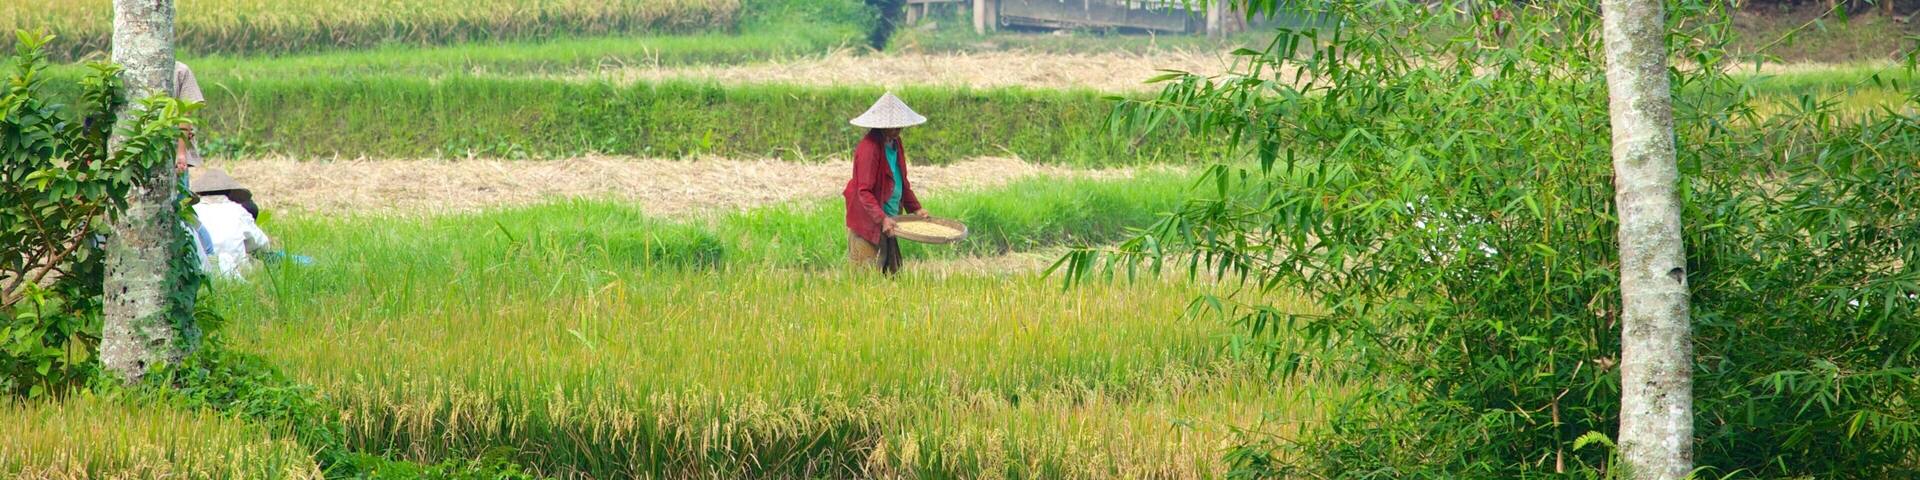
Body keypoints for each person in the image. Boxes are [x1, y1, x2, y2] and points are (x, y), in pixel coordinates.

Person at [843, 92, 930, 275]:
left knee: (892, 273)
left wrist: (916, 208)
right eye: (893, 126)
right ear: (881, 126)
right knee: (868, 277)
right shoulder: (869, 149)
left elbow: (901, 181)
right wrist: (882, 219)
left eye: (900, 126)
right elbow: (864, 191)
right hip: (869, 221)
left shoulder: (895, 143)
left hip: (889, 218)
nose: (898, 129)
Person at [187, 168, 271, 279]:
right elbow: (262, 244)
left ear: (199, 193)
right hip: (237, 269)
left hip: (201, 270)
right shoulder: (238, 210)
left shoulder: (192, 212)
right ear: (230, 192)